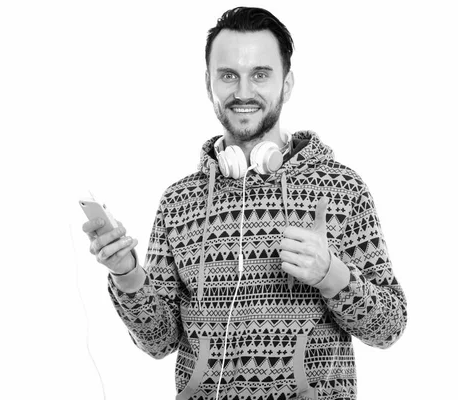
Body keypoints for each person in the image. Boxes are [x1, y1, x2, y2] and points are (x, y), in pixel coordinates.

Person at [82, 7, 407, 400]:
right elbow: (159, 342)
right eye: (228, 75)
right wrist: (127, 275)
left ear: (286, 85)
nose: (243, 92)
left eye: (260, 74)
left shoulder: (342, 188)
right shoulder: (178, 202)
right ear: (209, 84)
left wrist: (331, 275)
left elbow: (389, 327)